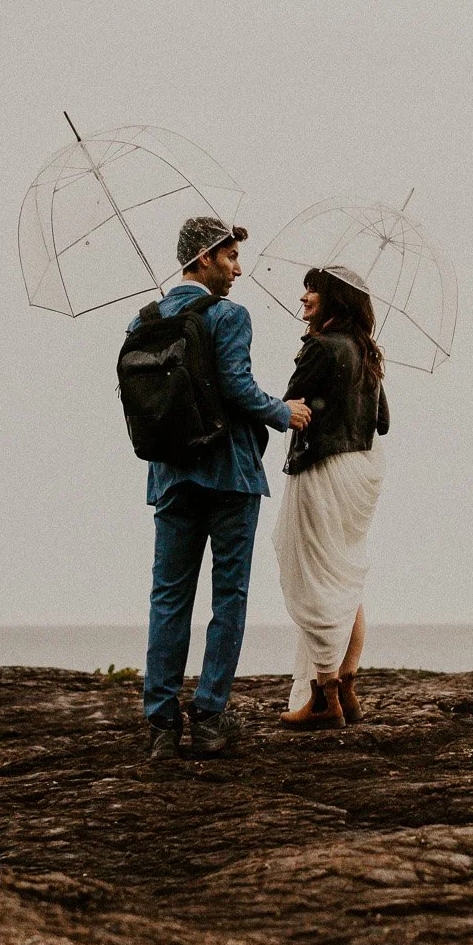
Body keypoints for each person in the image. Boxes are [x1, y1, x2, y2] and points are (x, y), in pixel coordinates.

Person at [135, 217, 311, 761]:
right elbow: (237, 386)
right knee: (228, 595)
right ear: (204, 257)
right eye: (230, 256)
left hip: (169, 476)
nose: (238, 267)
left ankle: (161, 726)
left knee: (169, 598)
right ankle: (210, 716)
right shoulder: (230, 315)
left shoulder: (144, 319)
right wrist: (284, 412)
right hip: (229, 474)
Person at [273, 264, 391, 730]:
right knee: (342, 576)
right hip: (361, 470)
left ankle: (322, 699)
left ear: (334, 301)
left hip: (324, 467)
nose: (304, 298)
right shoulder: (367, 352)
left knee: (311, 576)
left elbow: (290, 405)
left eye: (314, 291)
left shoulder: (322, 348)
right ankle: (346, 685)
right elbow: (381, 421)